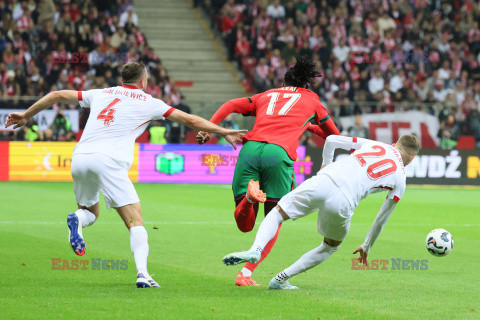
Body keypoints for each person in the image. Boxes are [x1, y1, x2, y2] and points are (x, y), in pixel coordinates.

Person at [4, 61, 247, 288]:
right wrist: (222, 130)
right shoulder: (149, 102)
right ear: (143, 81)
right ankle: (143, 273)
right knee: (135, 220)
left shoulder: (101, 93)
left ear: (123, 79)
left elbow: (57, 95)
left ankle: (77, 219)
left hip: (79, 156)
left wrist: (26, 115)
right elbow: (189, 120)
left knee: (90, 211)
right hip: (109, 161)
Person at [197, 55, 340, 286]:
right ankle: (245, 273)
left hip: (250, 149)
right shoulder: (312, 100)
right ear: (306, 84)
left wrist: (210, 129)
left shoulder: (267, 95)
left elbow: (230, 105)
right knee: (275, 219)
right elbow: (335, 136)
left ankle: (248, 199)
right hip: (279, 154)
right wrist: (312, 126)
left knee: (245, 225)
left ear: (284, 83)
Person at [223, 133, 420, 290]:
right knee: (330, 246)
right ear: (411, 158)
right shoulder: (400, 179)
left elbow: (332, 140)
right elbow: (381, 219)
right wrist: (366, 246)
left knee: (277, 213)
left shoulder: (377, 145)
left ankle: (255, 250)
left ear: (394, 144)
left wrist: (325, 166)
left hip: (324, 179)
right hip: (344, 200)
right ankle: (280, 279)